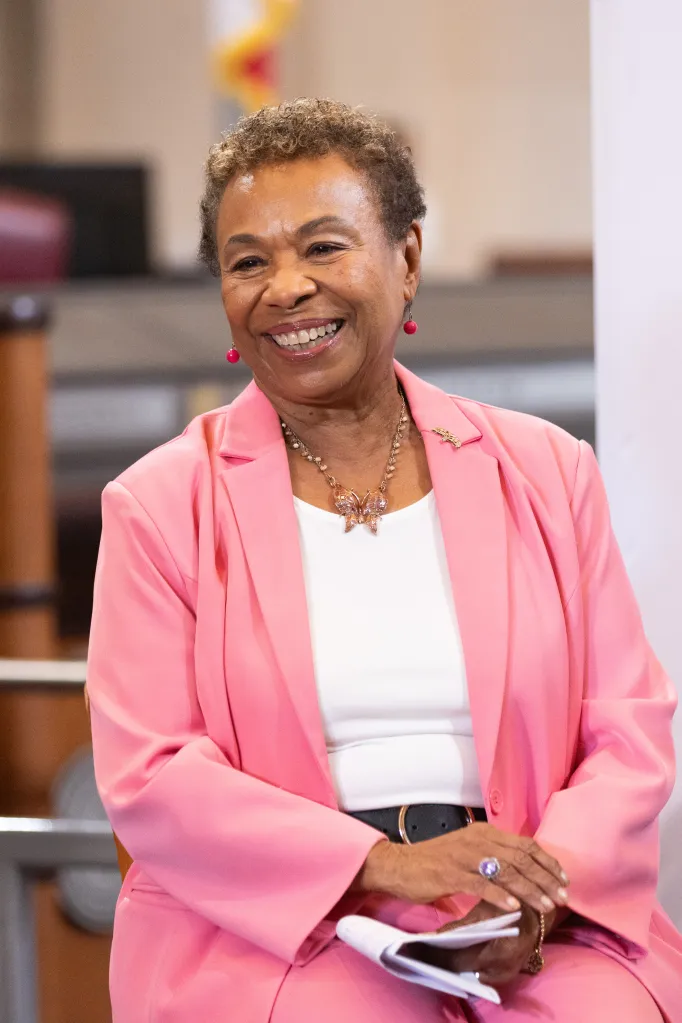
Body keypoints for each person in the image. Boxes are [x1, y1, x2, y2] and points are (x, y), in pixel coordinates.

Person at [87, 98, 682, 1022]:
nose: (285, 286)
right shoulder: (160, 505)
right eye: (250, 261)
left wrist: (538, 884)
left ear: (405, 259)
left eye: (324, 247)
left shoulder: (548, 469)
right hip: (279, 926)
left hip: (536, 902)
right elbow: (153, 771)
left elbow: (627, 729)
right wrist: (383, 865)